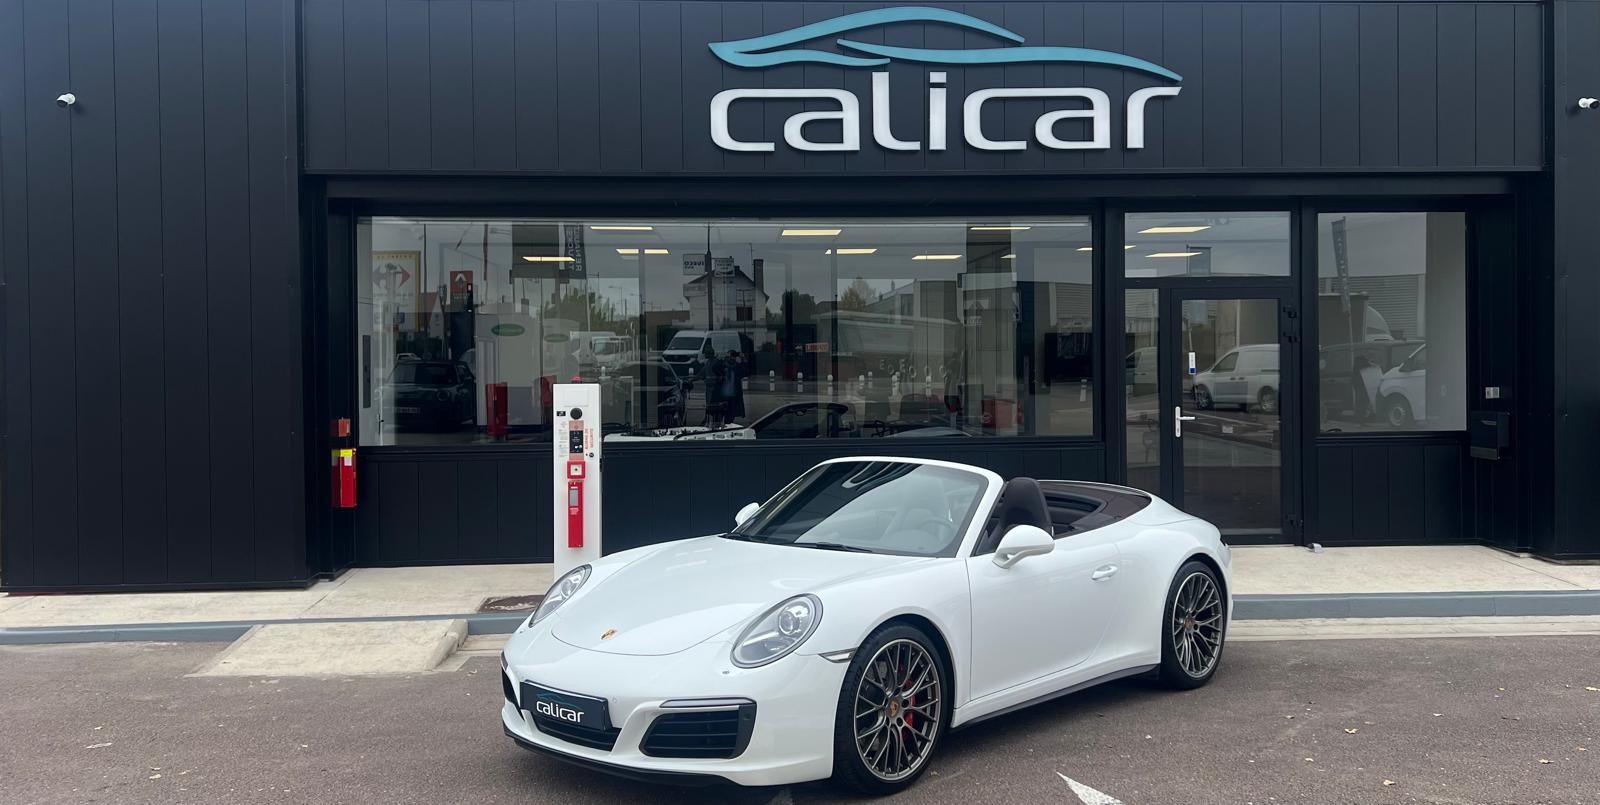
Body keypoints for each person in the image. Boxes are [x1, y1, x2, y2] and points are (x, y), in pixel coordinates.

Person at [722, 350, 748, 422]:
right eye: (730, 356)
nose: (731, 358)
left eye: (732, 356)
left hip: (733, 394)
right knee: (723, 413)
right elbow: (715, 368)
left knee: (731, 415)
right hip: (724, 395)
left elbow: (746, 372)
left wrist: (743, 360)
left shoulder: (737, 367)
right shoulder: (723, 366)